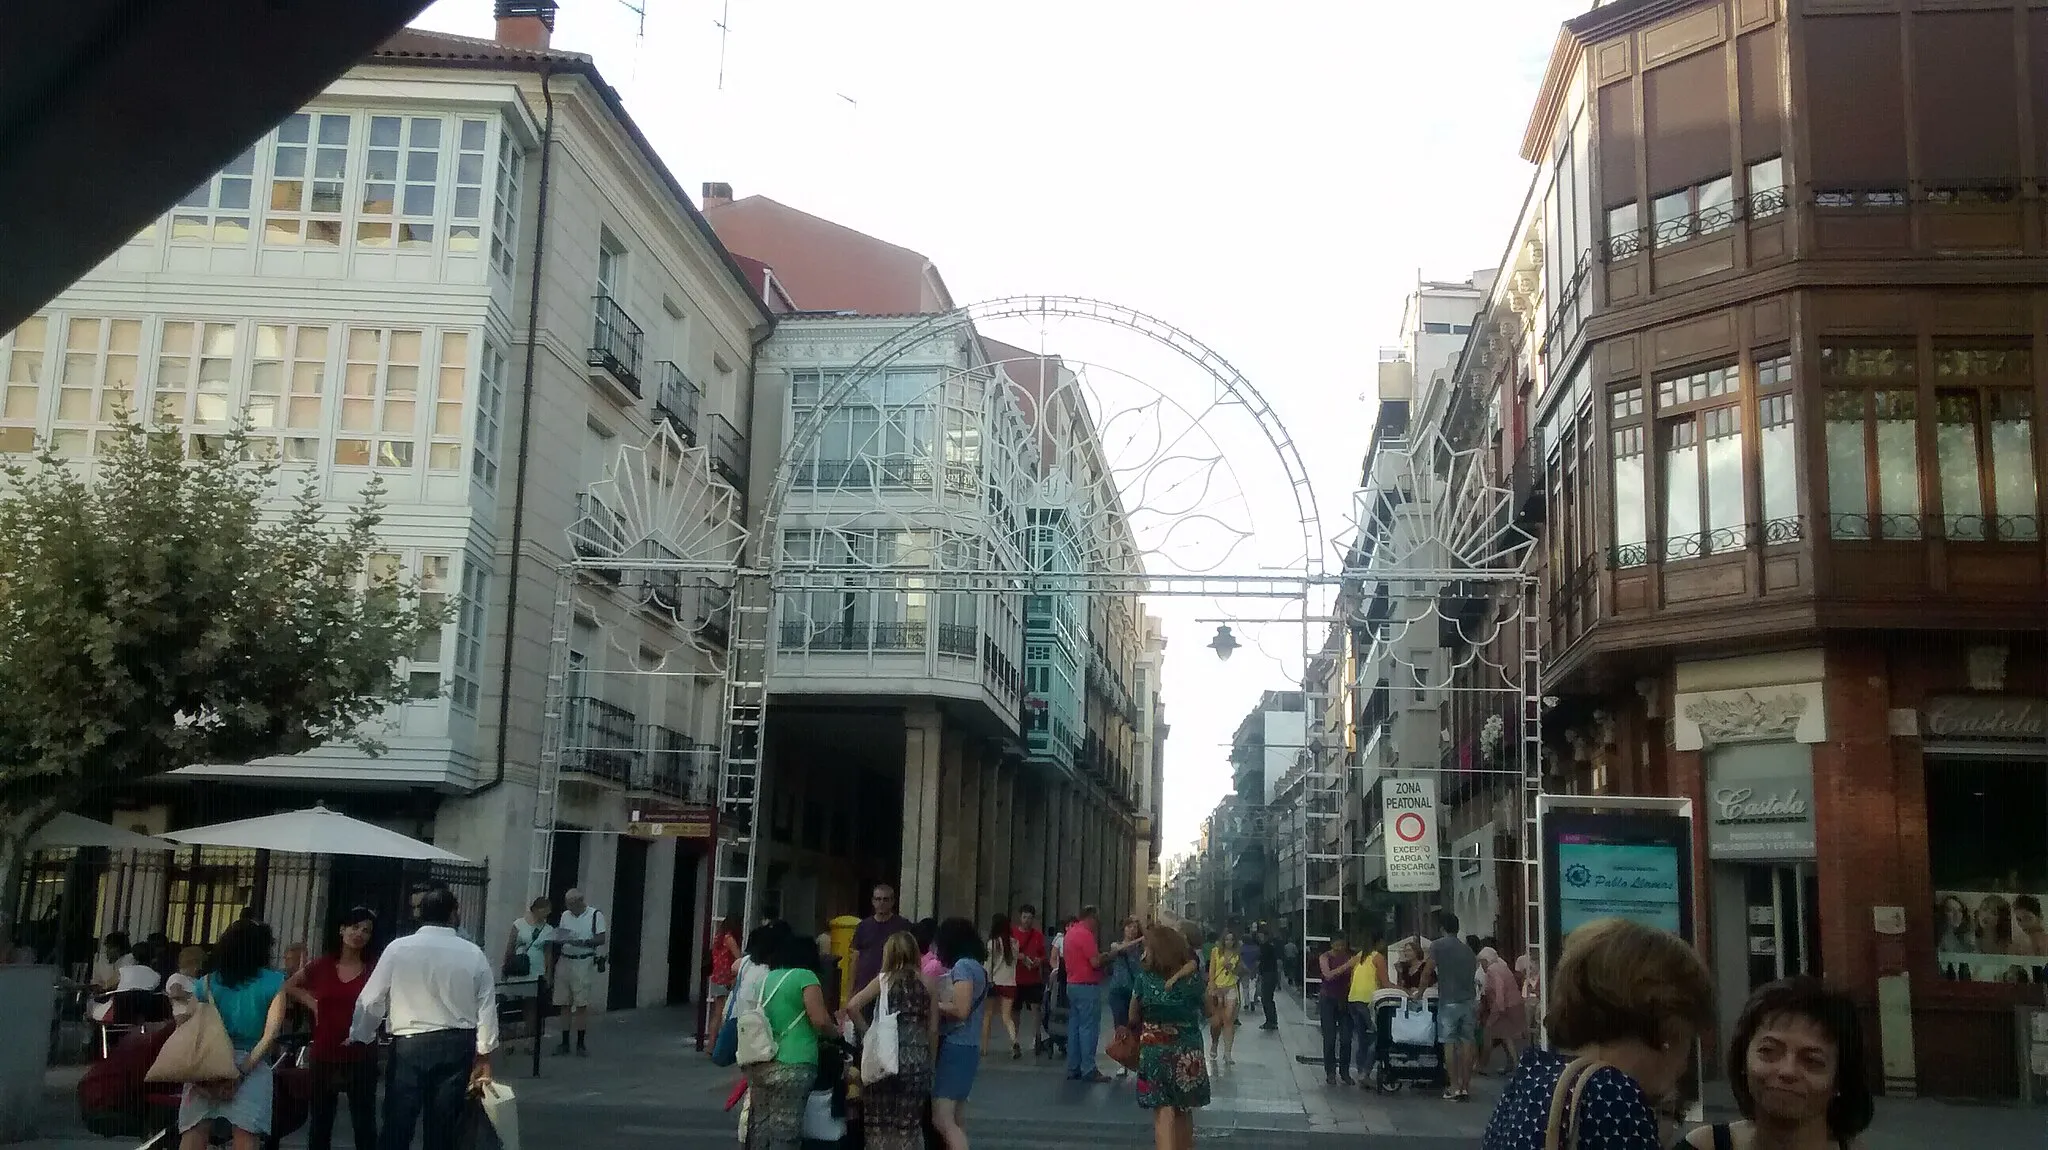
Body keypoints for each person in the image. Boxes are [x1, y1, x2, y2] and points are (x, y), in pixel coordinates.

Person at [1480, 917, 1714, 1150]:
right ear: (1669, 1028)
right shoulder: (1612, 1096)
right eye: (1688, 1037)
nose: (1684, 1064)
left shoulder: (1534, 1075)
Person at [349, 887, 496, 1150]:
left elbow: (371, 999)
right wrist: (484, 1051)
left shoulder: (398, 948)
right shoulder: (473, 953)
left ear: (420, 914)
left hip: (410, 1044)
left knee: (398, 1120)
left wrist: (361, 1034)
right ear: (453, 914)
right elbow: (486, 1004)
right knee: (443, 1123)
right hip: (456, 1043)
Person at [1681, 977, 1874, 1150]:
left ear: (1839, 1080)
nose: (1787, 1071)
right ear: (1743, 1060)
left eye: (1812, 1061)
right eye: (1768, 1051)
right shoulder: (1702, 1146)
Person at [175, 919, 289, 1150]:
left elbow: (187, 1027)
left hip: (206, 1064)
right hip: (251, 1066)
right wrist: (240, 1073)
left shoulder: (205, 982)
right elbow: (270, 1035)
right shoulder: (274, 982)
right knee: (246, 1138)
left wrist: (198, 1076)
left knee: (194, 1134)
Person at [288, 907, 381, 1150]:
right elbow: (290, 985)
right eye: (354, 927)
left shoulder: (374, 969)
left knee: (364, 1123)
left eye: (366, 930)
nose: (359, 933)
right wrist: (312, 1002)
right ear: (341, 929)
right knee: (320, 1122)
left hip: (361, 1053)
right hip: (325, 1051)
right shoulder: (322, 965)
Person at [741, 923, 834, 1150]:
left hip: (761, 1061)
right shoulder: (806, 977)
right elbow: (820, 1020)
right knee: (786, 1130)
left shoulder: (767, 979)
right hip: (794, 1062)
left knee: (761, 1126)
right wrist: (837, 1033)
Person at [839, 931, 933, 1150]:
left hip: (883, 1058)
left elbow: (852, 1006)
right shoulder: (928, 983)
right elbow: (933, 1029)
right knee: (908, 1125)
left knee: (879, 1124)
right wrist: (930, 1061)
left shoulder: (883, 980)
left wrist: (869, 1032)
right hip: (916, 1060)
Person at [1131, 924, 1210, 1150]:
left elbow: (1132, 1015)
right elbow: (1209, 1011)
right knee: (1184, 1109)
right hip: (1188, 1052)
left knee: (1163, 1111)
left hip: (1156, 1052)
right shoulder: (1192, 980)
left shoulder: (1144, 979)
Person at [931, 916, 989, 1149]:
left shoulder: (963, 966)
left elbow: (961, 1009)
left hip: (956, 1045)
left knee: (942, 1117)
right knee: (956, 1116)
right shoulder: (978, 967)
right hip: (969, 1045)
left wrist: (933, 1004)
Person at [1415, 911, 1479, 1102]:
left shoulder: (1438, 945)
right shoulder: (1468, 950)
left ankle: (1453, 1087)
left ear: (1442, 928)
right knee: (1467, 1042)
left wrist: (1419, 993)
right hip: (1468, 1001)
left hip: (1448, 1001)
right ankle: (1466, 1087)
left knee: (1449, 1043)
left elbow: (1427, 971)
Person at [551, 888, 606, 1056]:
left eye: (572, 904)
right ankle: (564, 1041)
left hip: (583, 961)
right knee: (564, 1003)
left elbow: (601, 938)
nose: (569, 907)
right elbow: (561, 933)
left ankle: (580, 1043)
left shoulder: (595, 915)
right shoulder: (565, 915)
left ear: (580, 902)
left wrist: (580, 942)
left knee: (581, 1004)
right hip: (565, 959)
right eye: (568, 904)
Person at [1062, 906, 1110, 1083]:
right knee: (1088, 1028)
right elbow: (1095, 962)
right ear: (1091, 918)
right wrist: (1107, 956)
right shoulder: (1085, 935)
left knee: (1074, 1027)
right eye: (1096, 920)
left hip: (1072, 984)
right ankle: (1089, 1068)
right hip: (1087, 985)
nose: (1097, 925)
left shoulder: (1070, 933)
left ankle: (1073, 1067)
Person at [1104, 915, 1146, 1079]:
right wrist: (1140, 938)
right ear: (1123, 929)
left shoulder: (1142, 948)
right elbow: (1121, 950)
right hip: (1118, 990)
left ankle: (1137, 1059)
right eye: (1129, 927)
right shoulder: (1116, 944)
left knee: (1137, 1026)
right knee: (1120, 1026)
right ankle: (1122, 1062)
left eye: (1135, 927)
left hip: (1136, 990)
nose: (1132, 930)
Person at [1477, 945, 1526, 1077]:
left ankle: (1485, 1065)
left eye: (1481, 962)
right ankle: (1511, 1064)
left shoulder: (1492, 970)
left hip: (1504, 1007)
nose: (1481, 965)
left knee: (1500, 1034)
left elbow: (1499, 990)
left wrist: (1498, 1009)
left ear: (1485, 960)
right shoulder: (1501, 966)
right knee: (1504, 1036)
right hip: (1512, 1004)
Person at [850, 883, 904, 1000]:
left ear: (892, 902)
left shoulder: (902, 926)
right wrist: (851, 991)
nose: (881, 903)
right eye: (878, 899)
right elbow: (855, 958)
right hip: (864, 986)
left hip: (892, 987)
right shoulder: (863, 926)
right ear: (873, 901)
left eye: (885, 899)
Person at [1345, 933, 1384, 1086]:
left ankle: (1360, 1071)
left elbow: (1350, 977)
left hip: (1353, 999)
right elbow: (1385, 981)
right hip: (1368, 1000)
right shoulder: (1378, 957)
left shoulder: (1359, 956)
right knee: (1377, 1036)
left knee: (1361, 1038)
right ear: (1379, 942)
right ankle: (1366, 1072)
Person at [1316, 940, 1358, 1085]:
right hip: (1328, 999)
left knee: (1346, 1039)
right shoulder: (1325, 957)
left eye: (1342, 944)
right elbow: (1328, 975)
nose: (1340, 947)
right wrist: (1347, 966)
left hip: (1345, 1000)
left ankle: (1345, 1072)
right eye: (1337, 944)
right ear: (1332, 944)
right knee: (1330, 1037)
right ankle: (1331, 1072)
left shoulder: (1350, 956)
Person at [1011, 905, 1048, 1056]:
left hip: (1033, 978)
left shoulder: (1038, 936)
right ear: (1020, 917)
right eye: (1024, 917)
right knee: (1015, 1012)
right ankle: (1015, 1040)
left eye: (1030, 917)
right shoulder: (1012, 934)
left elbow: (1044, 955)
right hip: (1016, 978)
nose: (1027, 920)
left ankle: (1036, 1037)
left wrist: (1039, 960)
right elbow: (1007, 953)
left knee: (1036, 1009)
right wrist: (1019, 957)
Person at [1204, 929, 1244, 1067]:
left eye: (1231, 939)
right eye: (1227, 939)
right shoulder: (1216, 951)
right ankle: (1214, 1043)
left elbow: (1239, 971)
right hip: (1217, 988)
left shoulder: (1237, 953)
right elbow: (1211, 970)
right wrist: (1212, 986)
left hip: (1231, 987)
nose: (1229, 942)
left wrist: (1232, 968)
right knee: (1216, 1022)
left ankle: (1227, 1053)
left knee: (1228, 1021)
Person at [982, 913, 1018, 1056]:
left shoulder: (992, 943)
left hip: (994, 982)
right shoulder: (1015, 943)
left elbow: (987, 966)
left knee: (988, 1015)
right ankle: (1014, 1040)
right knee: (1007, 1017)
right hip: (1010, 982)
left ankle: (984, 1047)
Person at [706, 916, 742, 1039]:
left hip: (717, 976)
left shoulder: (718, 937)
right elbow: (739, 957)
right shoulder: (729, 938)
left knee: (717, 1012)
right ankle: (720, 1042)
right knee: (726, 1012)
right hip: (727, 978)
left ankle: (711, 1043)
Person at [166, 945, 206, 1021]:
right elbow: (175, 994)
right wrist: (195, 997)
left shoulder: (195, 980)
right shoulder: (177, 977)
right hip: (184, 1015)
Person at [1253, 926, 1281, 1030]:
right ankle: (1272, 1020)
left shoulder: (1265, 947)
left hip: (1268, 974)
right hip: (1270, 974)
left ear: (1265, 936)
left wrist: (1255, 971)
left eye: (1261, 935)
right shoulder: (1269, 946)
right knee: (1268, 998)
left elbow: (1260, 961)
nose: (1259, 937)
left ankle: (1270, 1021)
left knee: (1266, 998)